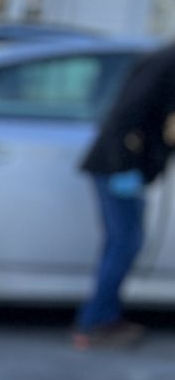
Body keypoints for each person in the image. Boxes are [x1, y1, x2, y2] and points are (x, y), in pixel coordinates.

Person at [74, 38, 175, 350]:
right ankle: (94, 323)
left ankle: (104, 316)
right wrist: (124, 167)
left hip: (125, 165)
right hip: (118, 166)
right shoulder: (166, 62)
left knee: (123, 243)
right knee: (124, 243)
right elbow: (126, 114)